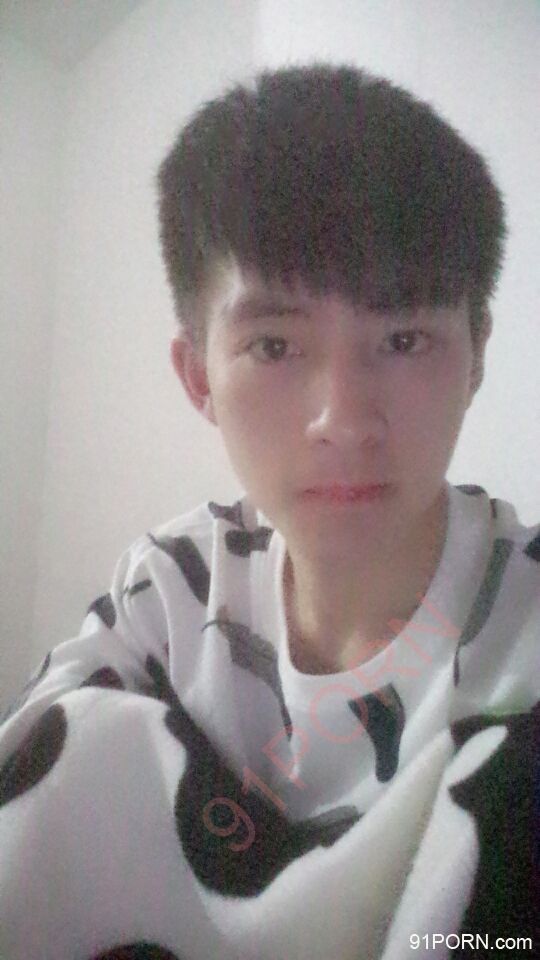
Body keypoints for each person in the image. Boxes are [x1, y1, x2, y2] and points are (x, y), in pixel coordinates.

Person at [0, 62, 538, 960]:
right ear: (199, 377)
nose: (344, 420)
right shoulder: (165, 598)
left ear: (477, 353)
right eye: (276, 345)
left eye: (403, 338)